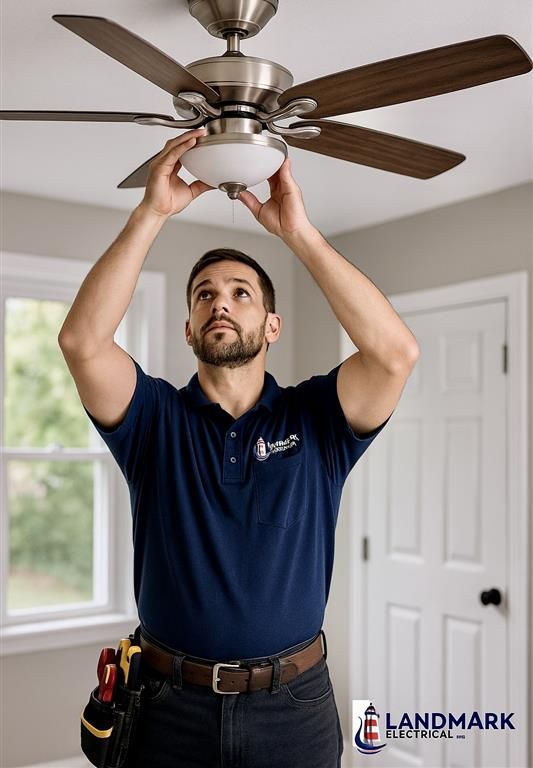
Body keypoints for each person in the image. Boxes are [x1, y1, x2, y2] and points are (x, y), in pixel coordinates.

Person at [58, 128, 420, 768]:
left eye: (240, 293)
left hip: (294, 709)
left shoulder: (318, 419)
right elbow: (83, 343)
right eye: (205, 296)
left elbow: (395, 354)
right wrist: (153, 212)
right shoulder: (155, 421)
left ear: (270, 326)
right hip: (167, 707)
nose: (220, 302)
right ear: (190, 326)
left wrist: (298, 233)